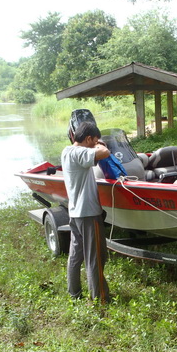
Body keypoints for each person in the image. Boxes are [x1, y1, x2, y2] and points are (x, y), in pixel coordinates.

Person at [61, 121, 112, 303]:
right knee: (95, 258)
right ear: (88, 138)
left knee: (76, 256)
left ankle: (74, 293)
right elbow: (105, 153)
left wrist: (96, 145)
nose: (95, 144)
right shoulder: (80, 152)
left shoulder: (66, 152)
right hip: (89, 214)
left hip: (75, 213)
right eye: (94, 141)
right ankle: (101, 299)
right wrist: (101, 145)